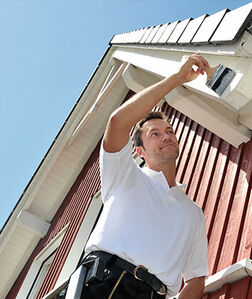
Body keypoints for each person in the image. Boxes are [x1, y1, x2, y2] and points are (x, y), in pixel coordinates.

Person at [74, 53, 211, 299]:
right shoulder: (125, 174)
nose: (167, 135)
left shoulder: (193, 213)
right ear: (140, 151)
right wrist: (178, 78)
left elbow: (196, 279)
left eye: (169, 131)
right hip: (101, 285)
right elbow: (117, 122)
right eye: (155, 134)